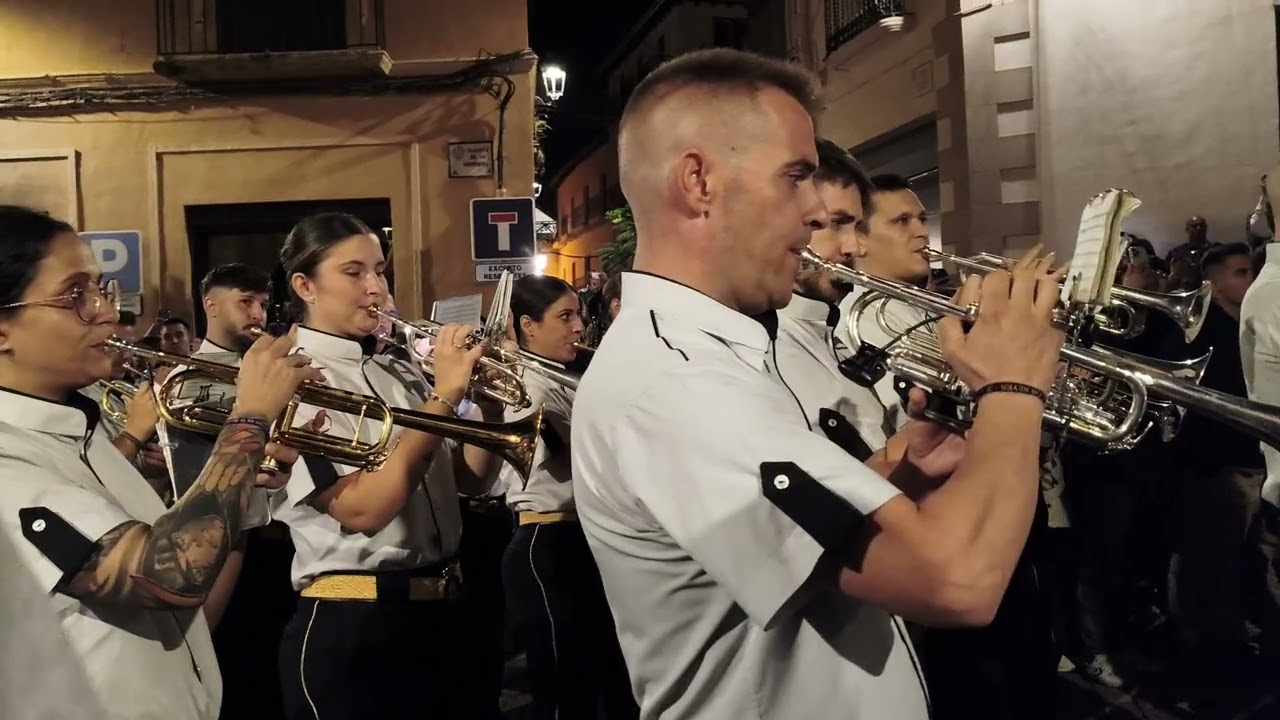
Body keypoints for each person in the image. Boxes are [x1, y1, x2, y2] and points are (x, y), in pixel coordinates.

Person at [570, 48, 1064, 719]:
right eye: (795, 177)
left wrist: (910, 468)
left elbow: (814, 549)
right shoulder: (678, 384)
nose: (816, 213)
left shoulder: (706, 355)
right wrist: (1016, 387)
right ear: (698, 181)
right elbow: (958, 581)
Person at [0, 204, 318, 719]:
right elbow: (166, 576)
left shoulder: (78, 427)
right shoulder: (7, 458)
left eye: (102, 290)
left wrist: (244, 466)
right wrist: (251, 417)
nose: (107, 313)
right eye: (76, 296)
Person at [271, 212, 507, 719]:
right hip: (356, 626)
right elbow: (363, 510)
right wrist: (444, 396)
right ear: (304, 285)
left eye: (379, 270)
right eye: (353, 273)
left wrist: (486, 406)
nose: (375, 286)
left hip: (444, 613)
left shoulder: (396, 365)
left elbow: (468, 480)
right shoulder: (295, 377)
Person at [500, 275, 637, 720]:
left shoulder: (568, 376)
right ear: (528, 326)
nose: (579, 327)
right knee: (565, 690)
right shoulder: (525, 384)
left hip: (586, 538)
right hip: (548, 541)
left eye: (578, 314)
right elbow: (583, 452)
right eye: (565, 317)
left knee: (612, 678)